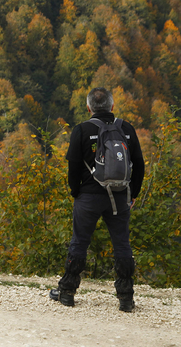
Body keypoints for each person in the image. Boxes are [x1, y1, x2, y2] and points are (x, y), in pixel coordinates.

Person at [49, 87, 144, 311]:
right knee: (122, 244)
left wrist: (75, 192)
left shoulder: (81, 130)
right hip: (119, 197)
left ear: (88, 107)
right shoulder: (127, 129)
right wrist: (134, 193)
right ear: (112, 107)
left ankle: (67, 292)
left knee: (79, 242)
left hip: (89, 198)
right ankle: (126, 298)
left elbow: (73, 167)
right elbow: (139, 164)